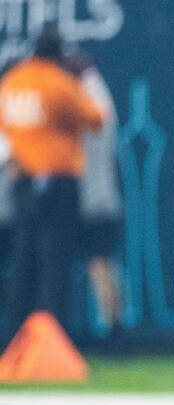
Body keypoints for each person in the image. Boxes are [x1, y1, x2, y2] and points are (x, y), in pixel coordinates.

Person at [0, 27, 103, 336]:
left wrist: (11, 157)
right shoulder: (59, 83)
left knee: (24, 260)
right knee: (56, 262)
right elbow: (98, 119)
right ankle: (53, 338)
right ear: (59, 55)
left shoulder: (12, 81)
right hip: (57, 181)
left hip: (22, 180)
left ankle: (17, 336)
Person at [65, 52, 124, 348]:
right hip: (101, 198)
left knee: (99, 264)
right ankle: (115, 327)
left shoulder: (92, 101)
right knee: (103, 264)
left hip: (95, 200)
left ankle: (114, 330)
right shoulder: (98, 96)